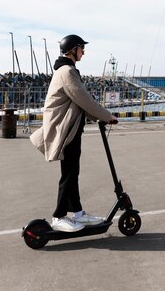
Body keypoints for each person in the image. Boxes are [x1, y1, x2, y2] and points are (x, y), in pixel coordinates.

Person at [30, 34, 118, 232]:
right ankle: (59, 217)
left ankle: (78, 213)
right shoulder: (67, 72)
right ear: (72, 50)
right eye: (81, 48)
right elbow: (84, 99)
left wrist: (101, 117)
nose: (83, 52)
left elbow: (81, 102)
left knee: (73, 172)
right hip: (64, 129)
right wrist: (106, 116)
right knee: (68, 174)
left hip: (70, 128)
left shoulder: (69, 70)